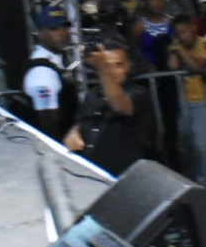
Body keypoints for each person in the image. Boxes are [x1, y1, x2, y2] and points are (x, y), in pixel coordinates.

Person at [64, 37, 155, 176]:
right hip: (90, 174)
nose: (113, 71)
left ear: (128, 66)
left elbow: (119, 104)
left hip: (124, 176)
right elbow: (81, 121)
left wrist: (103, 69)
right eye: (107, 65)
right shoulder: (92, 95)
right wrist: (74, 132)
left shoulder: (139, 93)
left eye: (118, 65)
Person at [166, 14, 206, 185]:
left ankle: (203, 184)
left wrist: (181, 50)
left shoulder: (205, 43)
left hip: (204, 101)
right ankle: (188, 182)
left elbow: (198, 66)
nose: (181, 36)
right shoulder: (179, 47)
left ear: (193, 28)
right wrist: (175, 50)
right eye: (178, 33)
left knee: (201, 145)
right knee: (185, 145)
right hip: (185, 102)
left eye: (184, 32)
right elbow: (172, 67)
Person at [22, 5, 78, 142]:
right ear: (41, 33)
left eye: (64, 27)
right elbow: (49, 127)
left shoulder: (55, 60)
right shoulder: (42, 73)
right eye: (55, 29)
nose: (62, 33)